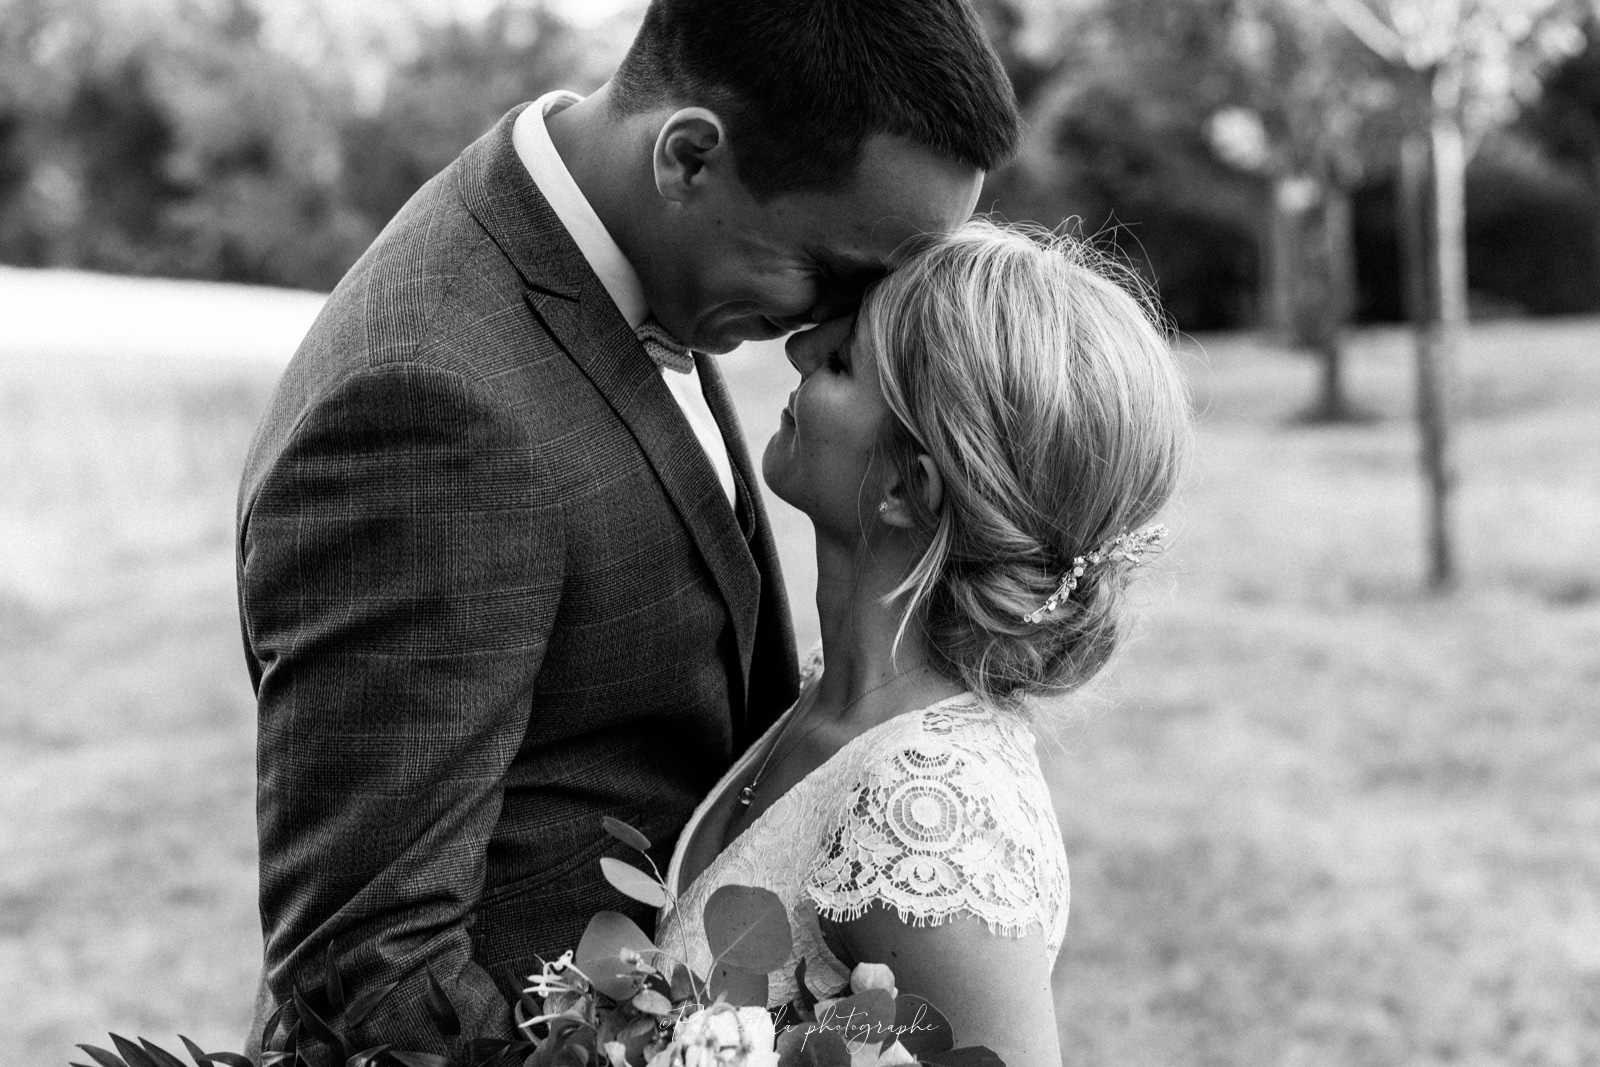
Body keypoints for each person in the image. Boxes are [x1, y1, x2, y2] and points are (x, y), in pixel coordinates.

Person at [233, 0, 1019, 1061]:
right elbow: (370, 965)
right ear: (689, 158)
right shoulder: (428, 396)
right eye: (838, 274)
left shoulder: (633, 261)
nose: (836, 332)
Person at [658, 220, 1193, 1065]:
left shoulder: (932, 814)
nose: (799, 351)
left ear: (912, 486)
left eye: (840, 363)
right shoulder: (827, 699)